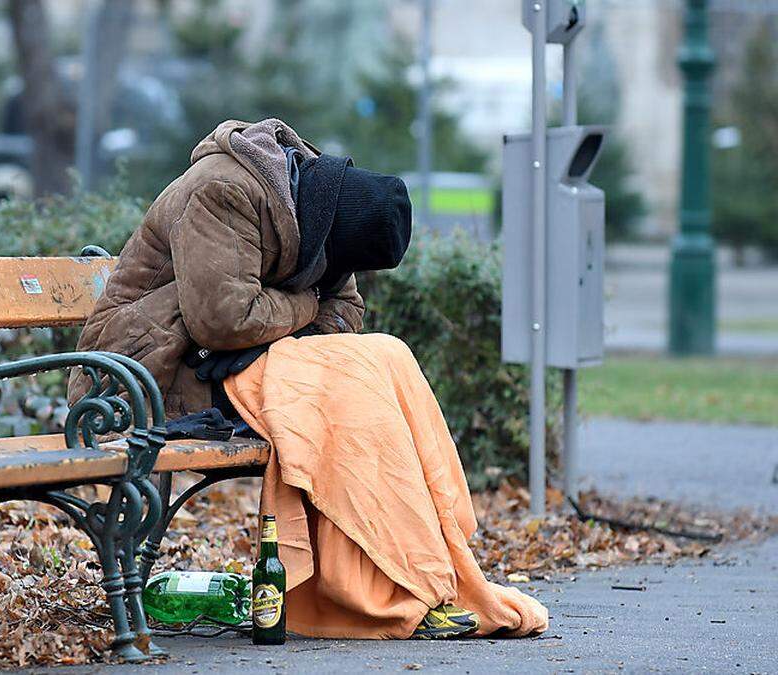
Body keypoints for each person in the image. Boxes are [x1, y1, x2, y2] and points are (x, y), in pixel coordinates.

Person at [69, 119, 548, 640]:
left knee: (384, 356)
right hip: (147, 374)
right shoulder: (224, 190)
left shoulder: (319, 212)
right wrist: (305, 305)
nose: (332, 274)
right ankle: (380, 584)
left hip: (225, 362)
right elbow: (224, 319)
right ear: (328, 218)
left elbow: (345, 315)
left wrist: (298, 315)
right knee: (344, 384)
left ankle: (423, 569)